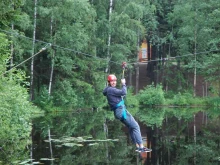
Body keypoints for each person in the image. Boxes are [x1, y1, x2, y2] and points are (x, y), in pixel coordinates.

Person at [103, 74, 152, 152]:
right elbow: (123, 92)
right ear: (109, 82)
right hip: (121, 112)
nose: (114, 82)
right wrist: (123, 84)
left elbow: (105, 92)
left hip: (118, 112)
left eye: (115, 81)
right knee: (136, 126)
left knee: (131, 127)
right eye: (112, 81)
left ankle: (137, 146)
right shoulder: (112, 90)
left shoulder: (108, 89)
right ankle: (141, 147)